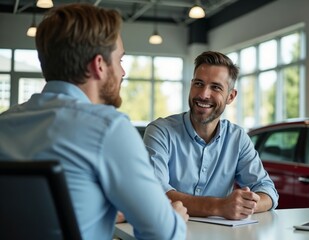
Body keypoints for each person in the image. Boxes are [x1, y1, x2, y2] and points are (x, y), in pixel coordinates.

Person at [0, 3, 187, 240]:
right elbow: (162, 235)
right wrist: (176, 220)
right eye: (120, 60)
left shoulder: (4, 123)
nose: (122, 72)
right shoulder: (108, 128)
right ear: (99, 65)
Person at [143, 51, 279, 220]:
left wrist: (244, 206)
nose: (203, 94)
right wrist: (220, 206)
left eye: (215, 87)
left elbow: (267, 190)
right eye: (198, 83)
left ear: (231, 96)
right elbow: (155, 192)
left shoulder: (237, 138)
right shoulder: (160, 131)